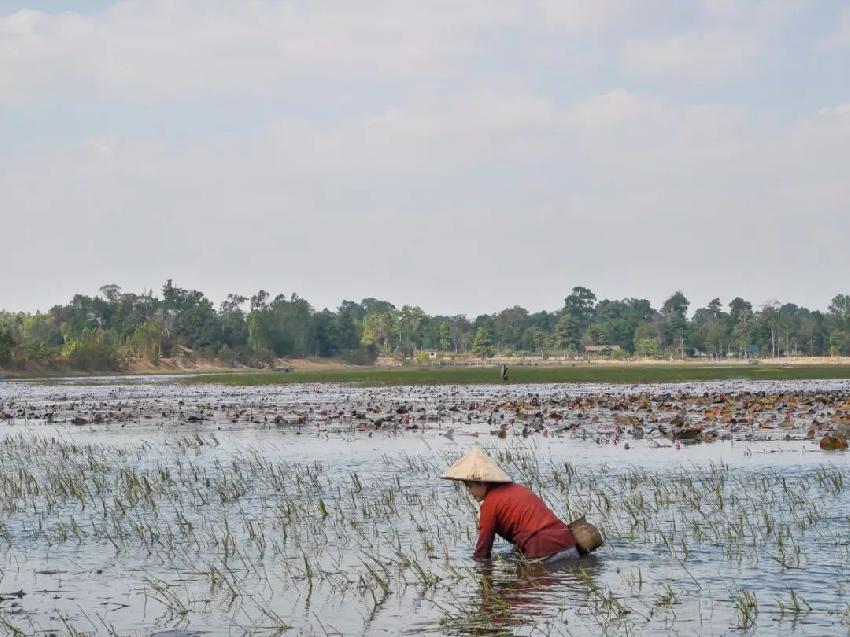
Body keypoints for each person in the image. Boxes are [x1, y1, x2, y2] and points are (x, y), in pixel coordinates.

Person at [441, 447, 579, 561]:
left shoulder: (490, 504)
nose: (469, 492)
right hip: (570, 544)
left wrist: (477, 562)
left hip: (544, 550)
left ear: (482, 482)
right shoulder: (520, 489)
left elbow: (484, 546)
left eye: (470, 486)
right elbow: (526, 527)